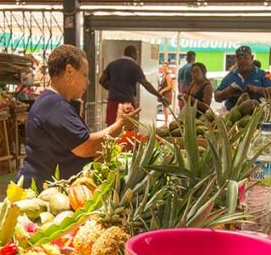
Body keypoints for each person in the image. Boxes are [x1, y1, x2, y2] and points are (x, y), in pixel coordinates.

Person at [19, 44, 138, 188]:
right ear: (69, 71)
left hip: (51, 189)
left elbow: (79, 142)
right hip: (41, 191)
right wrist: (120, 125)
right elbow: (85, 146)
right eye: (85, 75)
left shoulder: (55, 103)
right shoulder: (54, 105)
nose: (87, 82)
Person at [98, 45, 164, 125]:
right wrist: (160, 96)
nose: (137, 56)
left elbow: (101, 80)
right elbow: (145, 84)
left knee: (111, 127)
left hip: (113, 100)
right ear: (133, 54)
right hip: (127, 102)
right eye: (137, 54)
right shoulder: (135, 67)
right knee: (128, 127)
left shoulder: (112, 64)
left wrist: (112, 88)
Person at [214, 45, 271, 111]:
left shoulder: (262, 74)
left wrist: (256, 89)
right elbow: (217, 97)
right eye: (239, 59)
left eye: (245, 58)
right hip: (233, 117)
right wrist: (227, 91)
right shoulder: (230, 76)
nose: (242, 61)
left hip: (256, 116)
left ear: (251, 58)